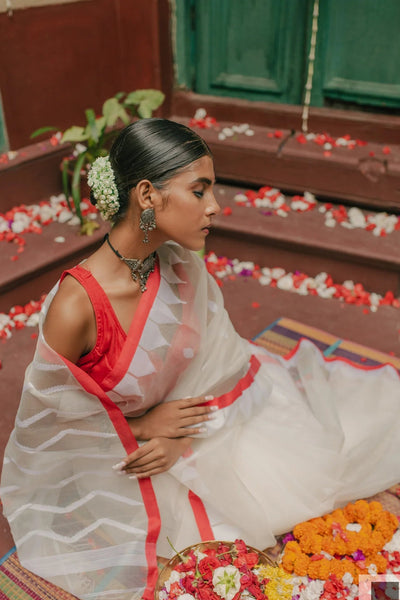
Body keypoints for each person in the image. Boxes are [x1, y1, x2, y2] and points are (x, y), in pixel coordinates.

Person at [1, 118, 400, 600]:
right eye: (200, 190)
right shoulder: (75, 308)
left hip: (201, 420)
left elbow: (219, 366)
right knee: (211, 541)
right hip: (119, 456)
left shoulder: (178, 263)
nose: (215, 207)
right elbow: (46, 430)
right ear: (148, 195)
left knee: (318, 467)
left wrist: (182, 438)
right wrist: (145, 428)